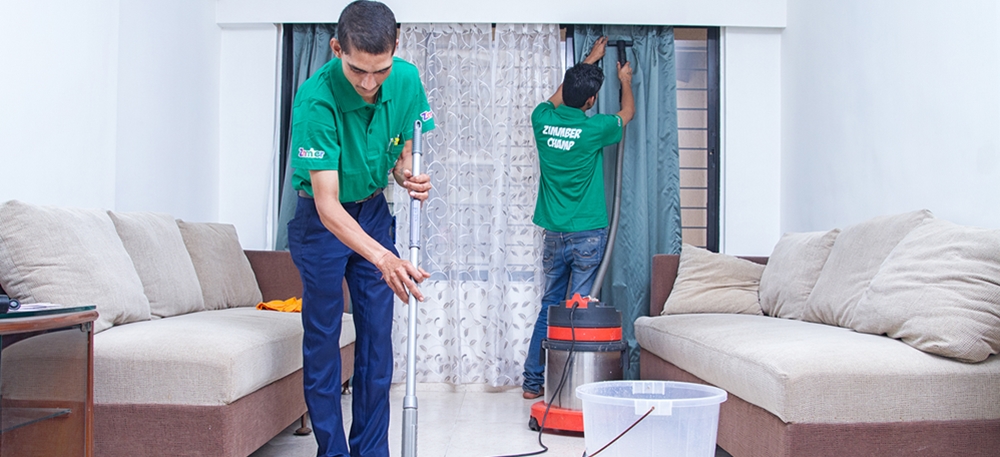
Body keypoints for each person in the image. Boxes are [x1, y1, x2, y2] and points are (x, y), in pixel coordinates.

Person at [285, 1, 435, 456]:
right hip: (322, 222)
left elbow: (403, 148)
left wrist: (406, 173)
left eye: (380, 70)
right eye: (357, 71)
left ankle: (371, 451)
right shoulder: (316, 101)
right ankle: (332, 452)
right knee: (324, 338)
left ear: (395, 48)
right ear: (336, 49)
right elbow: (329, 205)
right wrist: (383, 256)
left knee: (376, 341)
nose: (370, 84)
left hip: (372, 210)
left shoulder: (406, 79)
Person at [522, 36, 634, 400]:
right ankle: (567, 386)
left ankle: (532, 381)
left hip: (554, 235)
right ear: (589, 101)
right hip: (587, 234)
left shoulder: (542, 120)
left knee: (550, 308)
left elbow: (559, 97)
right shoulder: (595, 128)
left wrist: (588, 61)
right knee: (575, 312)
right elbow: (627, 114)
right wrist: (626, 82)